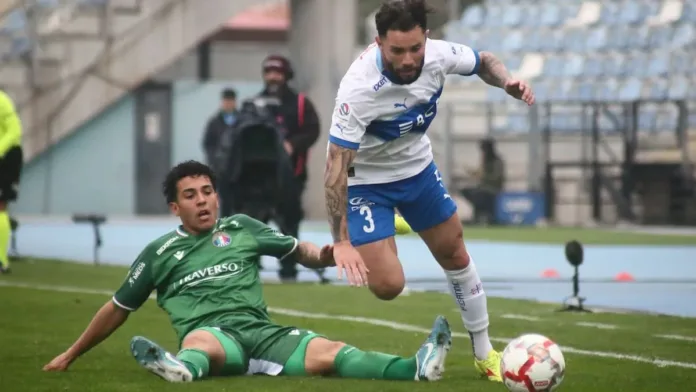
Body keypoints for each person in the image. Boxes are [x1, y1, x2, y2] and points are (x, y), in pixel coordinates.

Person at [43, 160, 452, 383]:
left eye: (207, 192)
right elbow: (118, 307)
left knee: (333, 353)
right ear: (175, 208)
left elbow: (301, 251)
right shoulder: (158, 253)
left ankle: (416, 367)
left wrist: (333, 253)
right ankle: (183, 367)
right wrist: (71, 353)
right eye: (190, 196)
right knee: (202, 340)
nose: (203, 201)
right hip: (216, 335)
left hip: (262, 332)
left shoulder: (241, 227)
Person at [323, 0, 535, 383]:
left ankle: (485, 352)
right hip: (366, 182)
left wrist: (506, 81)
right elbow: (335, 168)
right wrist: (340, 241)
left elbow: (484, 60)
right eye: (396, 51)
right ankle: (391, 223)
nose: (407, 59)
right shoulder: (358, 88)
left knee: (454, 251)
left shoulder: (439, 56)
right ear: (378, 43)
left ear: (428, 38)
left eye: (415, 48)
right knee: (388, 286)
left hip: (417, 170)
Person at [257, 55, 321, 282]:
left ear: (286, 75)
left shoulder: (301, 103)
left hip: (292, 176)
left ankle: (288, 270)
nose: (273, 77)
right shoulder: (255, 104)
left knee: (289, 225)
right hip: (260, 179)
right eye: (269, 72)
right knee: (255, 224)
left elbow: (313, 130)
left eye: (278, 72)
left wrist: (292, 144)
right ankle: (250, 268)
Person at [0, 90, 23, 274]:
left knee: (0, 206)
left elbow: (15, 131)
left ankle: (1, 260)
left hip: (7, 157)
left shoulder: (2, 101)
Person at [460, 138, 506, 225]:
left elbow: (496, 177)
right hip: (483, 188)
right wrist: (470, 171)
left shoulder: (497, 161)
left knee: (478, 194)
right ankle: (478, 215)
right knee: (466, 191)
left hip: (493, 189)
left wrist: (482, 177)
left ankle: (484, 216)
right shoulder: (485, 161)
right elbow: (479, 173)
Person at [202, 88, 238, 166]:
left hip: (237, 165)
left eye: (230, 101)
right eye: (226, 101)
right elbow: (208, 143)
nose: (228, 104)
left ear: (235, 102)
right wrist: (213, 160)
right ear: (222, 102)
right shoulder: (214, 122)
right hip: (219, 165)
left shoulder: (242, 120)